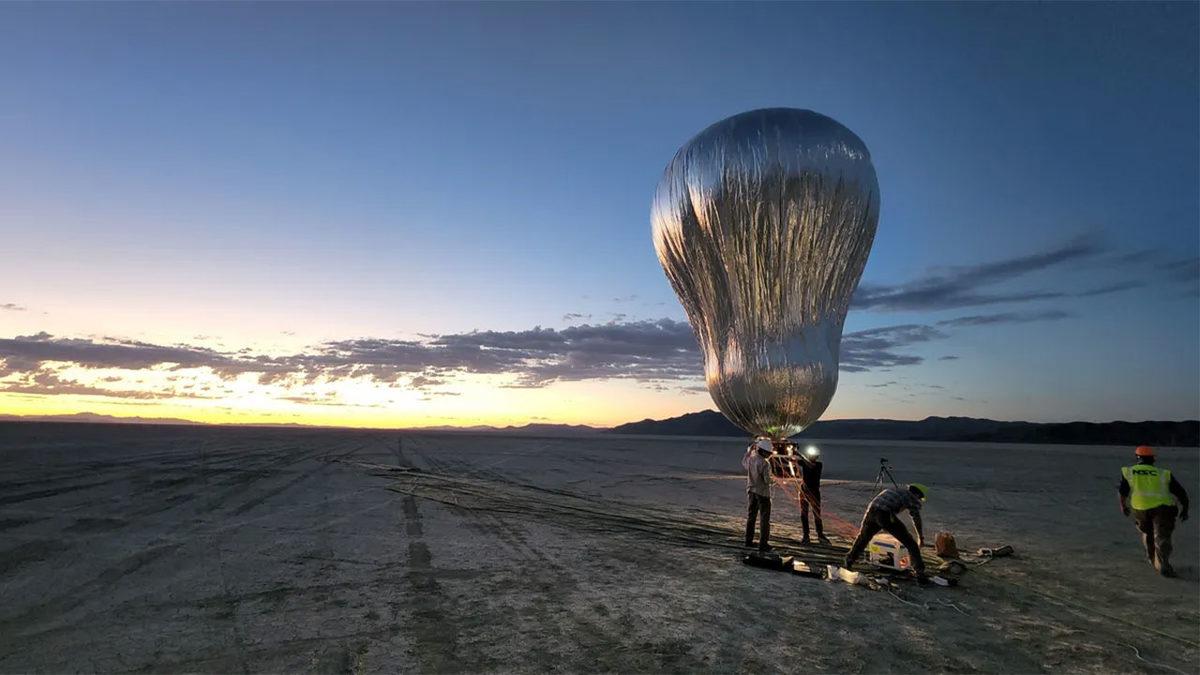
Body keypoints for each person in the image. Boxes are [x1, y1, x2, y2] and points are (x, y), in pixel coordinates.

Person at [1119, 445, 1189, 577]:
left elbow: (1123, 491)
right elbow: (1181, 493)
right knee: (1162, 537)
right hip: (1163, 509)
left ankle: (1152, 559)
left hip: (1140, 509)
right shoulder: (1163, 473)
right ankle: (1163, 565)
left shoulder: (1129, 471)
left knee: (1147, 533)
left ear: (1137, 458)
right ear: (1153, 459)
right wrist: (1185, 509)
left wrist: (1123, 506)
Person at [844, 483, 928, 581]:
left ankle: (850, 559)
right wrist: (920, 537)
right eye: (919, 498)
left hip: (871, 511)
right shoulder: (911, 498)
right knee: (910, 542)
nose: (918, 500)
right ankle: (919, 572)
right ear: (918, 494)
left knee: (863, 537)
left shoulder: (893, 491)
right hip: (885, 514)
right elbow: (916, 518)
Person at [743, 438, 774, 552]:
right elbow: (766, 480)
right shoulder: (765, 463)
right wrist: (773, 480)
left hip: (751, 491)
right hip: (762, 493)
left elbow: (744, 462)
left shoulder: (751, 459)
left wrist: (749, 451)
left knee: (751, 517)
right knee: (764, 519)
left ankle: (748, 540)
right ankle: (763, 544)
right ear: (765, 451)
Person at [796, 446, 829, 545]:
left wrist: (798, 453)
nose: (812, 457)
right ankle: (806, 535)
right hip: (804, 491)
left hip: (814, 492)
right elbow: (794, 461)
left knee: (817, 514)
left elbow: (809, 465)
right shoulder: (804, 463)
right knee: (804, 514)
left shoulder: (818, 465)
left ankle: (820, 534)